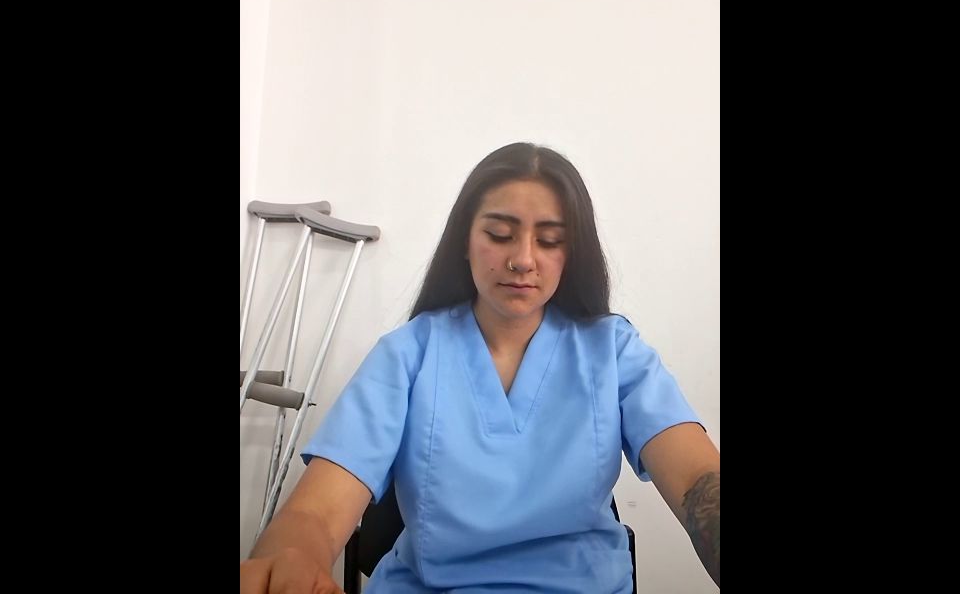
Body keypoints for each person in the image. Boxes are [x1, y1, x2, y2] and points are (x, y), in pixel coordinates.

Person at [240, 142, 720, 593]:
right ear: (465, 242)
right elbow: (317, 513)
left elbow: (697, 477)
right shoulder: (408, 355)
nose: (523, 260)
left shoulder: (612, 350)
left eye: (550, 240)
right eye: (499, 235)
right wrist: (292, 559)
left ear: (571, 255)